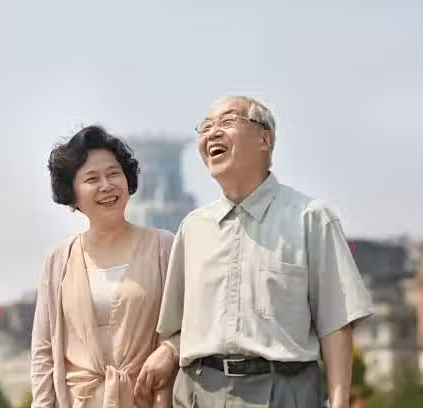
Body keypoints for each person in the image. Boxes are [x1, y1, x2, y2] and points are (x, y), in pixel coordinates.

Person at [135, 96, 373, 408]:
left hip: (283, 392)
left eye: (227, 122)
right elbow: (175, 329)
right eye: (205, 127)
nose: (212, 133)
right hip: (199, 393)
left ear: (265, 139)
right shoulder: (192, 228)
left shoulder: (311, 219)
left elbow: (336, 325)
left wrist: (339, 403)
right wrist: (168, 355)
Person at [30, 125, 176, 408]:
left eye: (113, 174)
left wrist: (171, 350)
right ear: (72, 194)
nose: (106, 185)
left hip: (147, 400)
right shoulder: (58, 260)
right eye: (92, 179)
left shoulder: (164, 247)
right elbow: (43, 352)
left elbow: (190, 324)